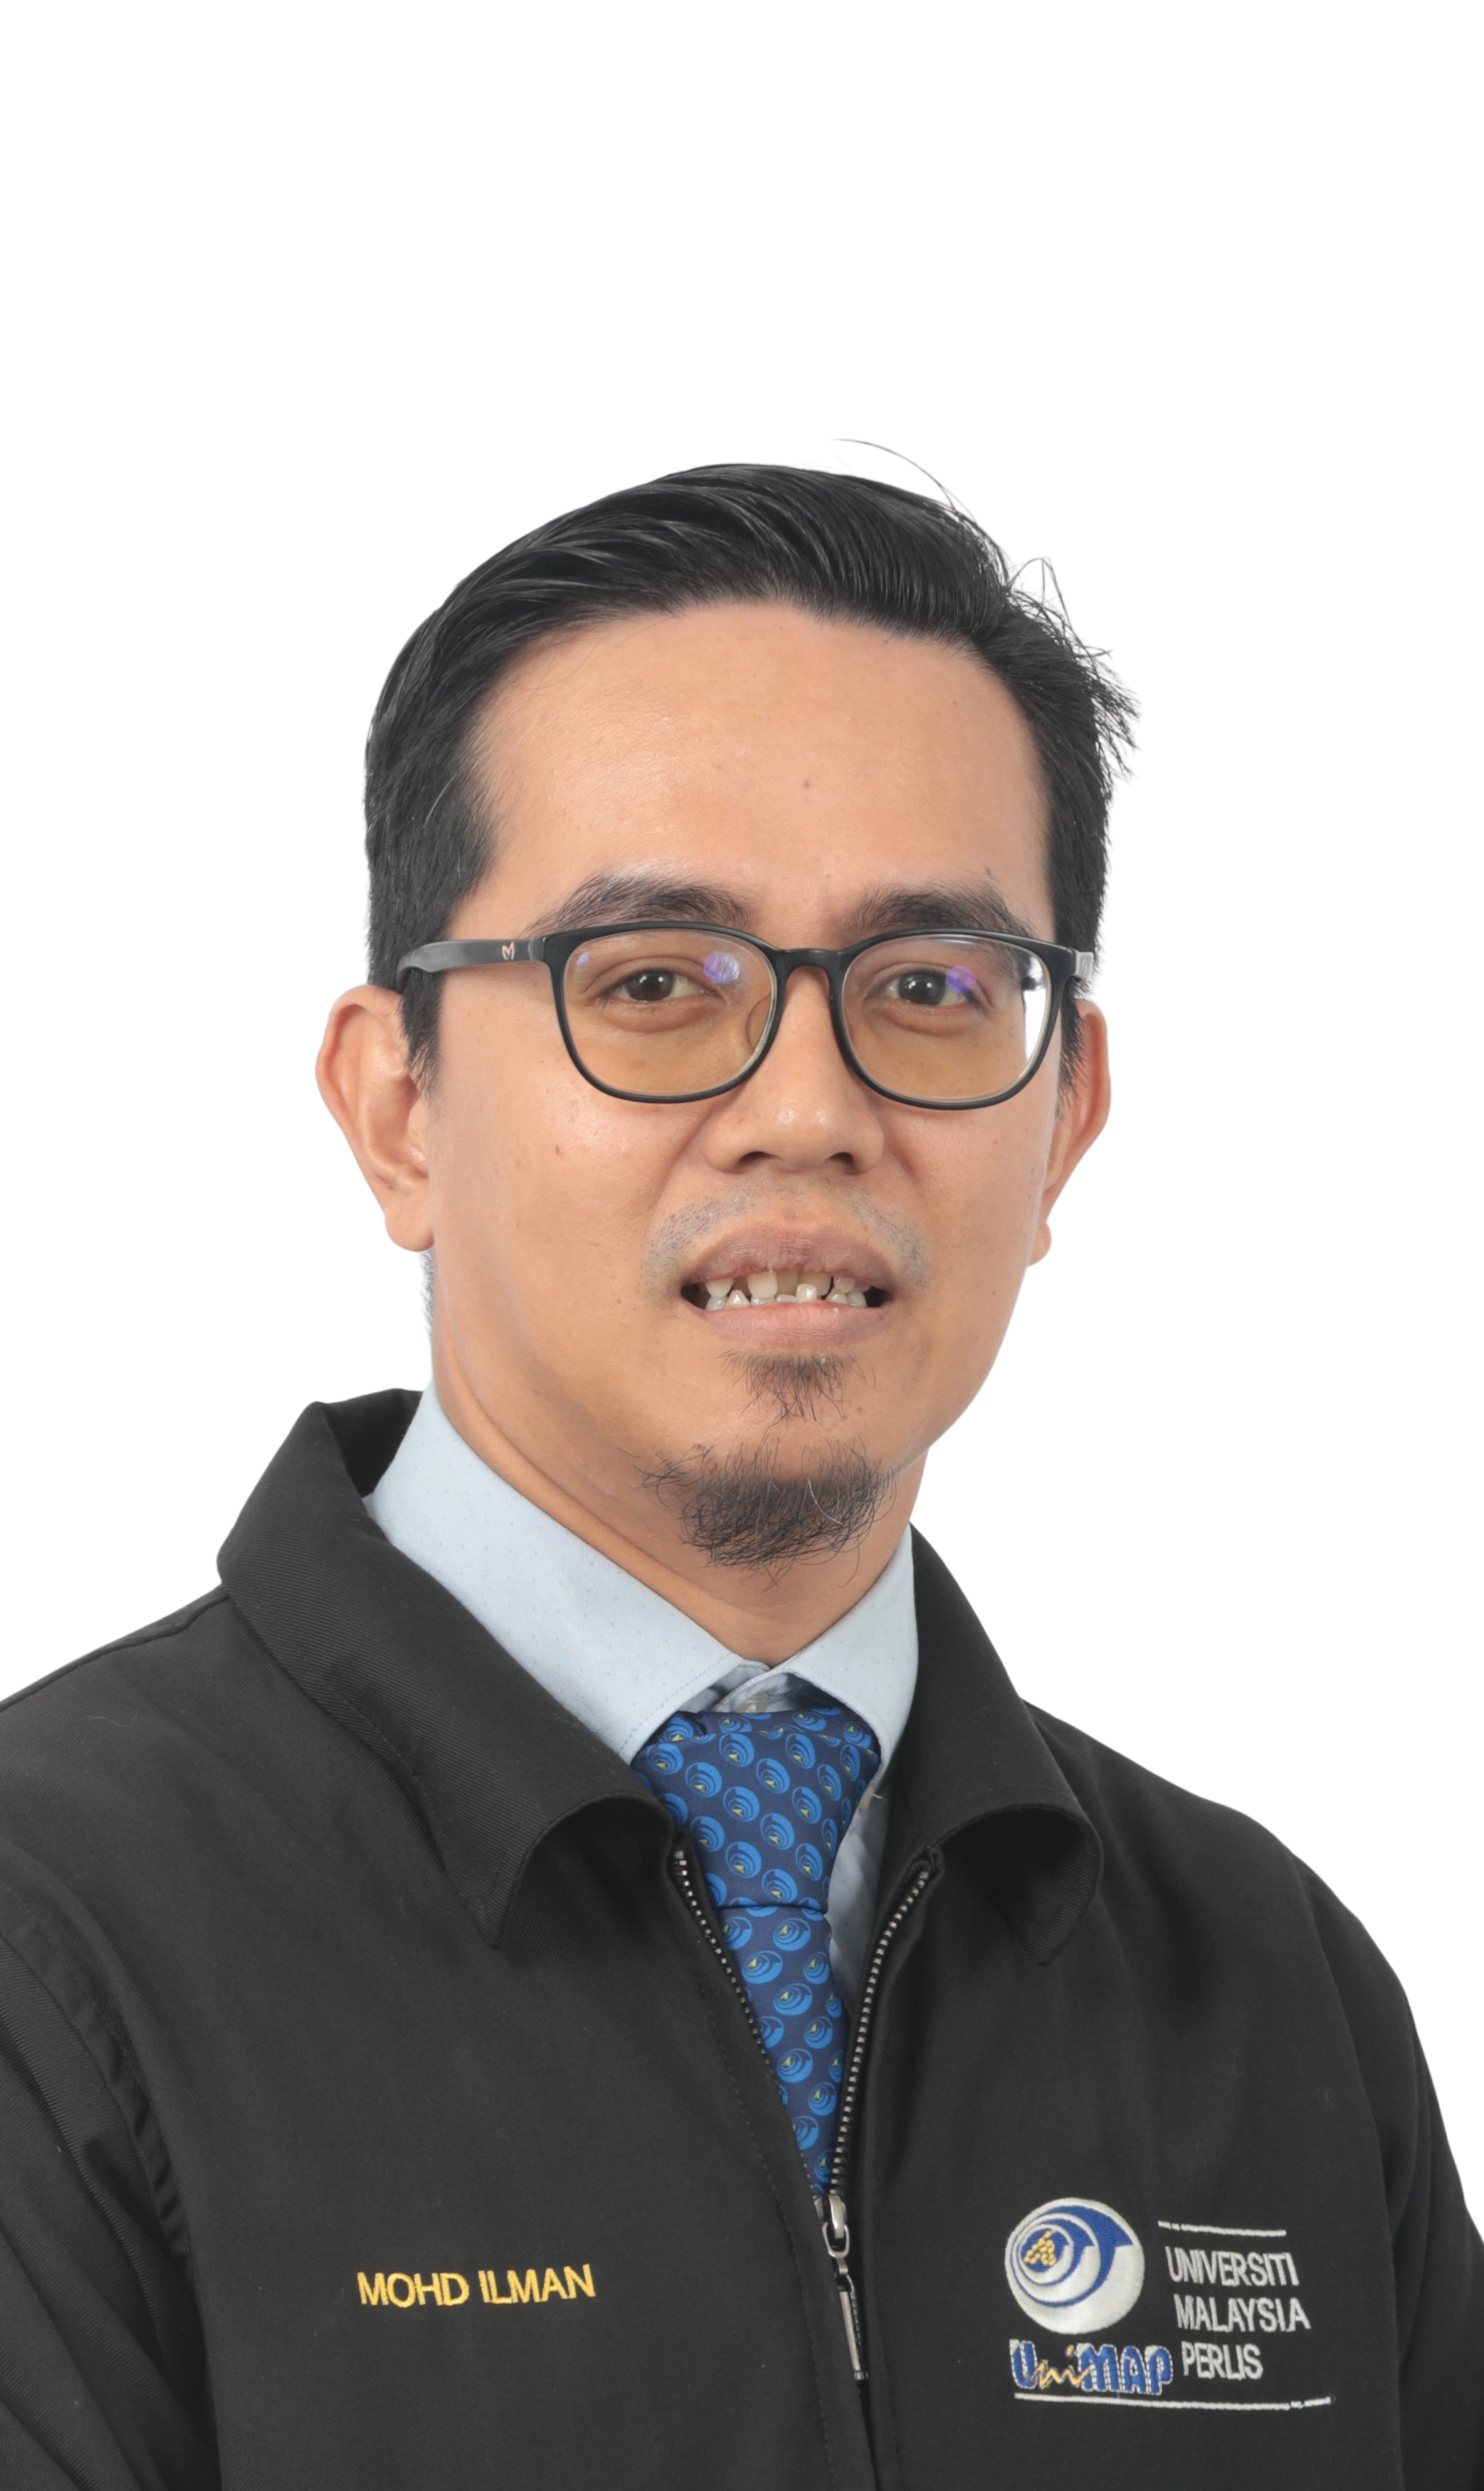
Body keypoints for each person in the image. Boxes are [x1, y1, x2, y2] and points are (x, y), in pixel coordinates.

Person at [1, 453, 1478, 2491]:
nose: (807, 1108)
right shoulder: (45, 1931)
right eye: (651, 982)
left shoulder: (1273, 1983)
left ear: (1066, 1113)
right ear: (397, 1106)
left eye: (931, 989)